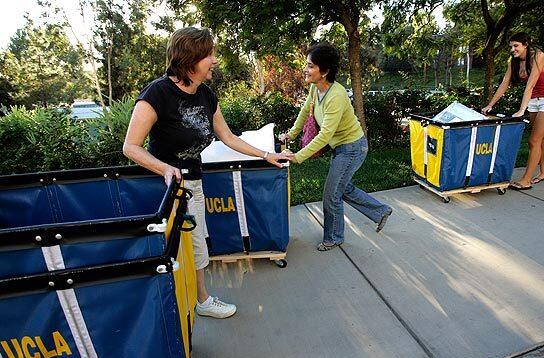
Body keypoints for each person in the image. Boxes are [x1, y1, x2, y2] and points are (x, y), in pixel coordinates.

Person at [123, 27, 293, 318]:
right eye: (209, 54)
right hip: (163, 190)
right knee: (166, 251)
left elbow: (228, 137)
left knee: (198, 243)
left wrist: (267, 155)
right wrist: (165, 168)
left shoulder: (205, 94)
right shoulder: (157, 94)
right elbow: (131, 147)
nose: (215, 60)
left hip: (194, 184)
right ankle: (161, 310)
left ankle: (202, 302)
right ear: (190, 59)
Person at [280, 43, 392, 252]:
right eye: (306, 64)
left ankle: (333, 237)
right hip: (341, 147)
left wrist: (298, 156)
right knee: (343, 188)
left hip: (352, 148)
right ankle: (381, 211)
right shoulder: (315, 89)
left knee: (331, 194)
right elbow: (305, 112)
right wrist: (291, 134)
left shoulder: (336, 96)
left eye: (310, 66)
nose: (305, 69)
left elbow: (325, 135)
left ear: (325, 71)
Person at [482, 32, 544, 190]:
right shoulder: (514, 62)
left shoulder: (538, 57)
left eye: (516, 45)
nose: (512, 49)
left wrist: (521, 110)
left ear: (526, 44)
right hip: (534, 101)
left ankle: (526, 180)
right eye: (511, 46)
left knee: (533, 141)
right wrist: (490, 104)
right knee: (542, 137)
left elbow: (530, 85)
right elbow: (505, 83)